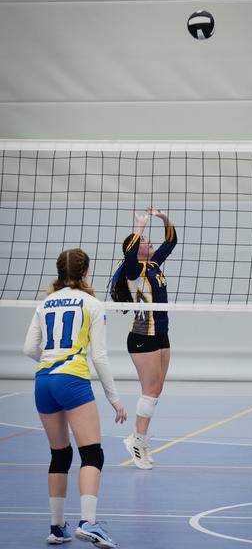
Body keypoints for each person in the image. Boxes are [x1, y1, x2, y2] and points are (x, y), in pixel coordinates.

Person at [23, 248, 127, 547]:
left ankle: (57, 528)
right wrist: (114, 399)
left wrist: (52, 361)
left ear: (60, 271)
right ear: (85, 271)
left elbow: (30, 349)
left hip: (43, 380)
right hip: (73, 380)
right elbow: (100, 356)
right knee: (92, 453)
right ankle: (89, 523)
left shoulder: (45, 304)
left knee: (60, 454)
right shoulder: (92, 304)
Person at [110, 208, 177, 470]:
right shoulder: (132, 271)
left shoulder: (154, 264)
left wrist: (163, 218)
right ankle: (137, 442)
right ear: (135, 249)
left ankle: (137, 439)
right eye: (144, 241)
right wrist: (138, 226)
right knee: (149, 392)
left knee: (156, 391)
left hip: (161, 333)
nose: (149, 242)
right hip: (142, 336)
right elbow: (129, 255)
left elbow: (171, 241)